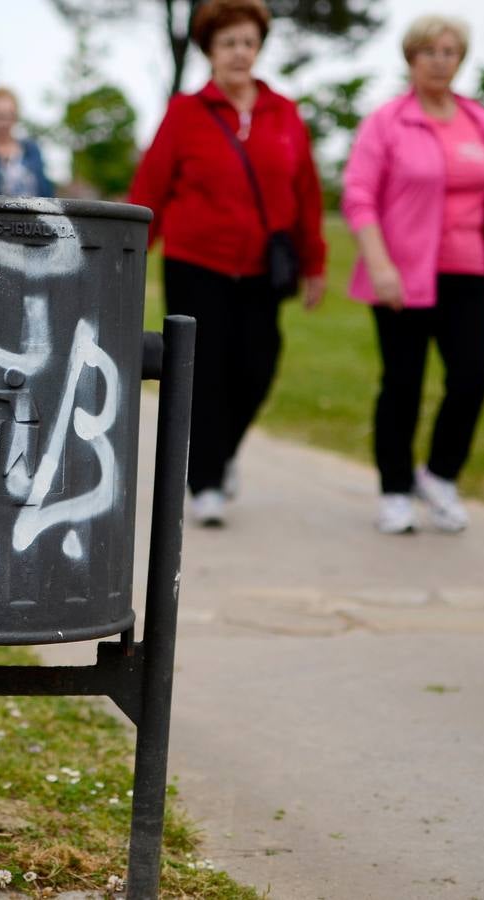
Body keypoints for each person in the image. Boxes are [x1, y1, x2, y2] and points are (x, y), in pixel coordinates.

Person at [128, 0, 326, 527]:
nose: (240, 53)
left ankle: (224, 453)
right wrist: (129, 257)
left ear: (259, 48)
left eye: (248, 42)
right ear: (210, 52)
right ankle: (206, 481)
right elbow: (152, 188)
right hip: (197, 264)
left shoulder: (284, 112)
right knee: (206, 374)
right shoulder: (186, 113)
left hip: (264, 268)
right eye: (228, 43)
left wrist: (315, 262)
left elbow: (305, 190)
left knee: (258, 367)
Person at [341, 14, 484, 535]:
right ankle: (395, 491)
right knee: (402, 385)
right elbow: (358, 195)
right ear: (411, 58)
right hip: (402, 277)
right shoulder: (388, 122)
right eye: (430, 51)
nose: (441, 60)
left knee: (473, 376)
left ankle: (439, 476)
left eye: (450, 51)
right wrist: (379, 263)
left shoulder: (479, 122)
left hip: (470, 273)